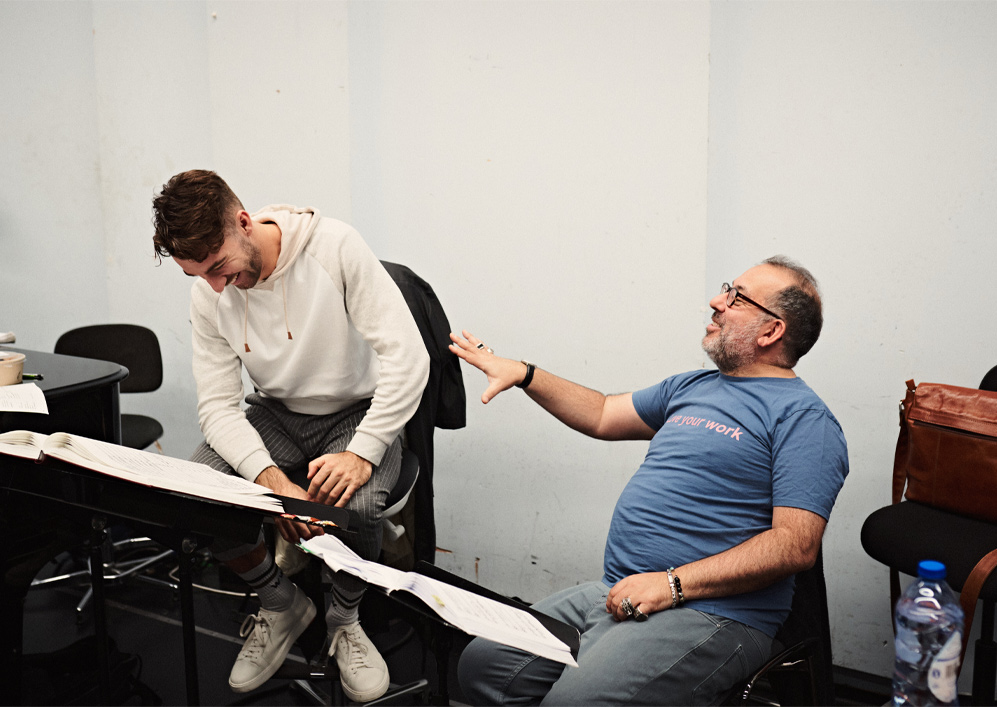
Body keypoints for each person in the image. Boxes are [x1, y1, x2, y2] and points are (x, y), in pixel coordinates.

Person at [451, 256, 849, 705]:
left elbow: (794, 545)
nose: (717, 301)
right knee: (484, 664)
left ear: (771, 331)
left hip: (715, 613)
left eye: (736, 297)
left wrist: (672, 584)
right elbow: (602, 413)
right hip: (620, 588)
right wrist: (524, 374)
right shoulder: (693, 387)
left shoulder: (805, 419)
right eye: (726, 289)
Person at [151, 170, 429, 701]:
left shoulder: (335, 246)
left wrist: (363, 453)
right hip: (276, 414)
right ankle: (280, 602)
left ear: (242, 222)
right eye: (197, 275)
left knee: (362, 503)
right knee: (195, 493)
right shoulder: (208, 294)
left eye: (218, 267)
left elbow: (408, 358)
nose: (213, 286)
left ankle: (344, 619)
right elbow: (217, 407)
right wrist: (274, 482)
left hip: (353, 409)